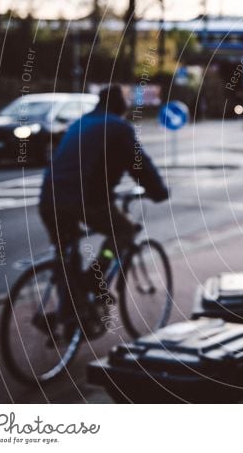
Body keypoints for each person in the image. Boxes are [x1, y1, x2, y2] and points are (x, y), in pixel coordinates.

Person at [38, 84, 169, 327]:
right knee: (124, 231)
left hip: (48, 198)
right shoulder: (118, 127)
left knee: (67, 256)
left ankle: (73, 317)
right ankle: (95, 279)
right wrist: (158, 191)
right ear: (120, 105)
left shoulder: (81, 122)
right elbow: (140, 165)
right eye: (127, 101)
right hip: (83, 198)